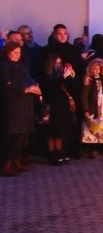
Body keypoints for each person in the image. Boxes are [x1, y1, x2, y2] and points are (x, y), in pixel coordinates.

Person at [0, 42, 41, 176]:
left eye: (19, 52)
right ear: (8, 52)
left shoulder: (21, 65)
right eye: (15, 52)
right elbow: (7, 84)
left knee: (23, 134)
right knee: (14, 135)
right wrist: (25, 88)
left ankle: (16, 160)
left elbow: (28, 78)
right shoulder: (4, 65)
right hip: (14, 104)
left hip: (25, 104)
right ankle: (6, 165)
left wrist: (35, 85)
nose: (18, 55)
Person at [40, 54, 77, 165]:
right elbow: (51, 89)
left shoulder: (61, 74)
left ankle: (59, 151)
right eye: (56, 63)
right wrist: (63, 77)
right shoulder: (47, 75)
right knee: (52, 131)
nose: (58, 65)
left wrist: (71, 76)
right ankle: (52, 154)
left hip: (62, 105)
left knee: (60, 130)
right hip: (52, 105)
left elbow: (70, 88)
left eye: (59, 63)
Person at [81, 58, 103, 158]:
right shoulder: (88, 80)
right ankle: (93, 150)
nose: (97, 70)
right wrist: (86, 109)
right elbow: (84, 95)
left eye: (98, 68)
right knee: (93, 128)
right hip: (93, 107)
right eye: (95, 68)